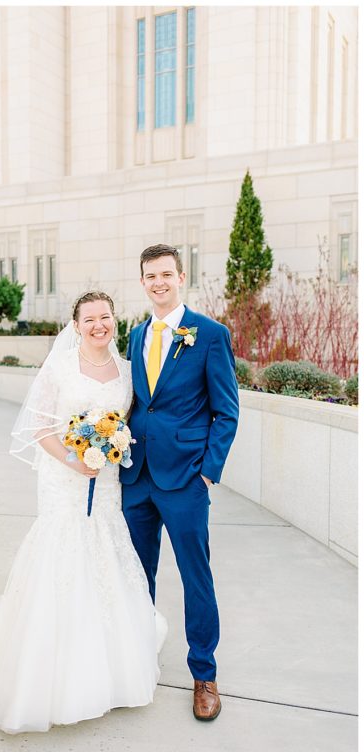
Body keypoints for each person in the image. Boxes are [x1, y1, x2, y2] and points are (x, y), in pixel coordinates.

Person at [0, 291, 164, 734]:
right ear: (76, 325)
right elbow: (39, 427)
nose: (99, 325)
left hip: (107, 481)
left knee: (104, 555)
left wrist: (112, 448)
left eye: (105, 317)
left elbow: (130, 425)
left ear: (114, 321)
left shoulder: (127, 371)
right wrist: (75, 460)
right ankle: (56, 673)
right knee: (62, 556)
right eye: (90, 318)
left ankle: (110, 670)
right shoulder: (59, 367)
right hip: (64, 480)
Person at [121, 243, 239, 722]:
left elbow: (226, 411)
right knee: (135, 577)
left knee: (196, 578)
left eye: (166, 274)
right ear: (143, 281)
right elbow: (136, 403)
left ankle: (204, 674)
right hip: (137, 477)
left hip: (187, 478)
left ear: (181, 276)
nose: (159, 283)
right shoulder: (134, 335)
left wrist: (208, 471)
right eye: (150, 276)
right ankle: (138, 662)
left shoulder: (209, 335)